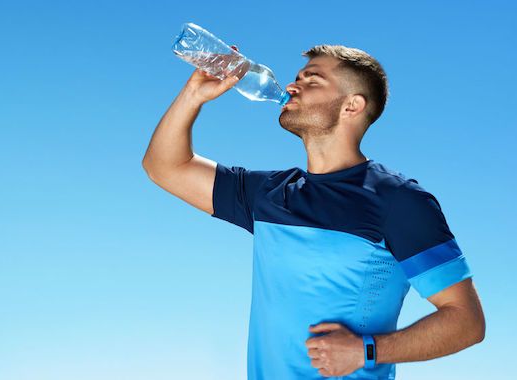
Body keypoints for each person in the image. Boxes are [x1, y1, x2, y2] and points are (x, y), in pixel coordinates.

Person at [142, 44, 486, 379]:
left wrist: (366, 350)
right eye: (297, 77)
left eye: (313, 79)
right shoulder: (268, 193)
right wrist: (193, 96)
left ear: (352, 106)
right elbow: (164, 166)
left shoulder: (399, 201)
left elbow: (466, 322)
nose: (293, 86)